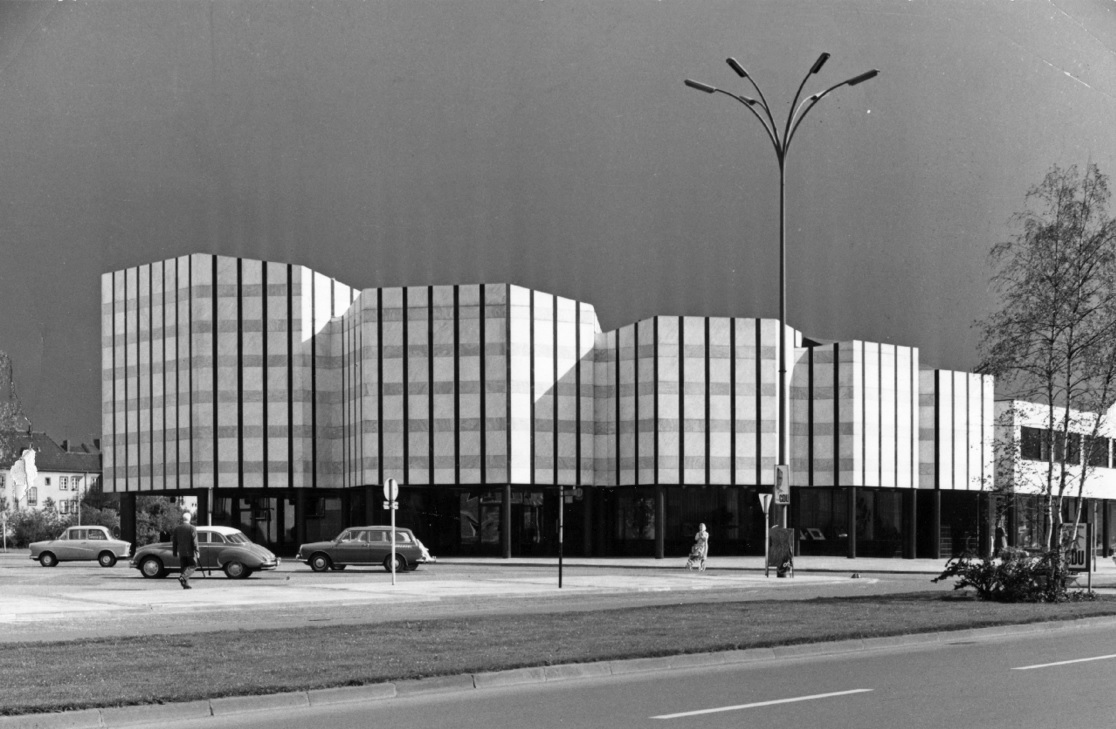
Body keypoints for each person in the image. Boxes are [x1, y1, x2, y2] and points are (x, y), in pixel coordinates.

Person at [171, 511, 199, 590]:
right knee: (193, 566)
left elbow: (175, 542)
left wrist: (174, 552)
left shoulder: (177, 529)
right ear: (190, 519)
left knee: (184, 568)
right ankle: (183, 578)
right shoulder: (192, 528)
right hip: (190, 552)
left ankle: (185, 584)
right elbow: (195, 541)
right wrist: (197, 551)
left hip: (182, 552)